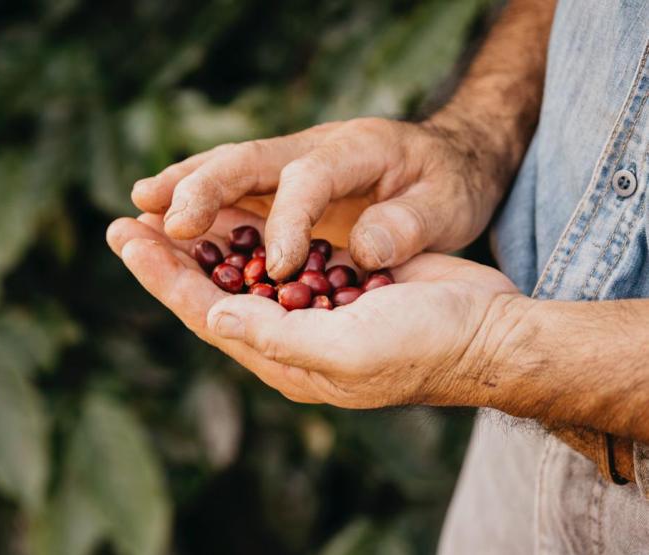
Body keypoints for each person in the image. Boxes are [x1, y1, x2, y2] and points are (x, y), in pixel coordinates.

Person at [106, 0, 649, 551]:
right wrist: (477, 135)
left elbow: (494, 345)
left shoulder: (491, 340)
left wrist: (492, 347)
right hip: (522, 427)